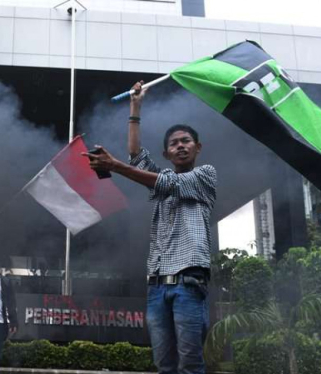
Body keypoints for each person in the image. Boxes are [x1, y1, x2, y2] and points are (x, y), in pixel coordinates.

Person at [83, 81, 217, 374]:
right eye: (174, 143)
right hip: (157, 285)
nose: (180, 145)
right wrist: (135, 105)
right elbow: (137, 157)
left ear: (198, 147)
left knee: (190, 362)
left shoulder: (205, 176)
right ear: (167, 154)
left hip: (189, 284)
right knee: (163, 364)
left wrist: (115, 166)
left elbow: (163, 181)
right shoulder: (159, 181)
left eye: (186, 141)